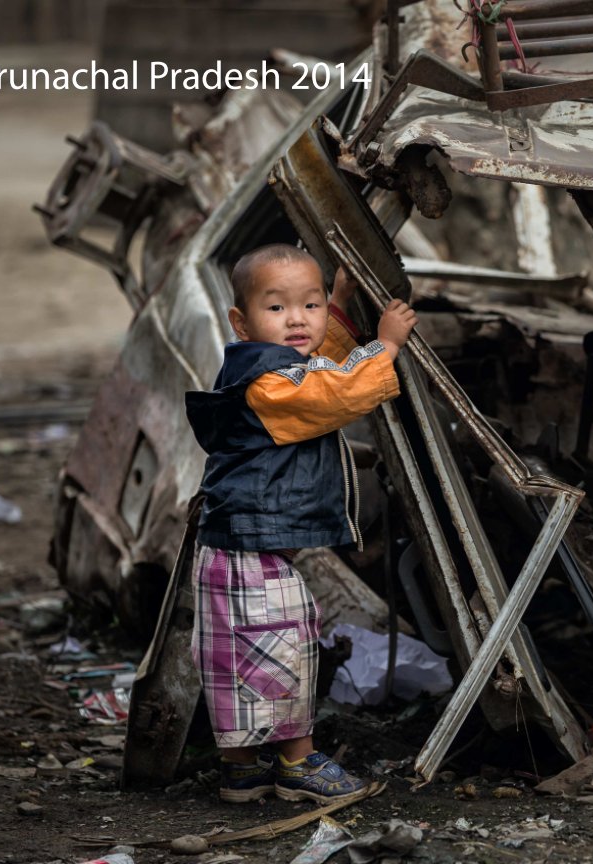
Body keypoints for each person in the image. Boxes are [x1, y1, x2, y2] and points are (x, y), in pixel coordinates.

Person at [184, 243, 417, 804]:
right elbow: (334, 391)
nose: (297, 320)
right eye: (278, 308)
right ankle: (297, 764)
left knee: (237, 654)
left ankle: (242, 771)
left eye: (309, 306)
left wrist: (336, 305)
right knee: (281, 649)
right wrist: (385, 346)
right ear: (241, 321)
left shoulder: (273, 367)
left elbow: (319, 362)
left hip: (236, 544)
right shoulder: (268, 385)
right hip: (248, 547)